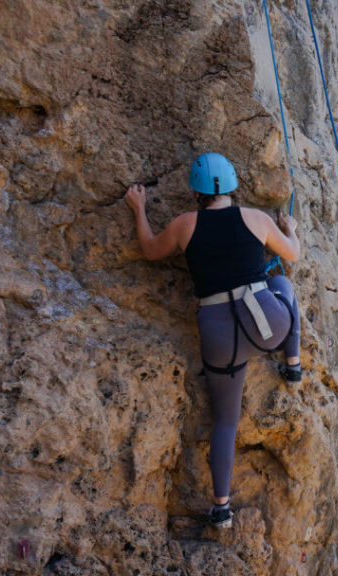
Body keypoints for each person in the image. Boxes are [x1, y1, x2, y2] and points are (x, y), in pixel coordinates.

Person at [124, 152, 302, 529]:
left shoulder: (184, 225)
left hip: (221, 338)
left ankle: (221, 508)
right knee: (282, 284)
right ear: (232, 186)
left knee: (225, 421)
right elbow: (294, 254)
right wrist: (290, 229)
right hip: (268, 328)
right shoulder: (256, 218)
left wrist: (139, 208)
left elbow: (150, 250)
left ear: (196, 192)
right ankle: (293, 364)